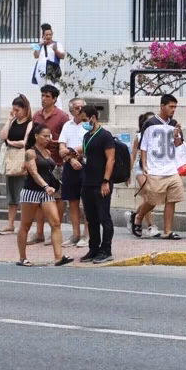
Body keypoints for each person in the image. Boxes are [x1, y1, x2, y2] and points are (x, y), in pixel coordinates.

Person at [15, 123, 74, 267]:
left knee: (55, 222)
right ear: (36, 136)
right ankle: (23, 257)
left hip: (46, 193)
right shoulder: (30, 152)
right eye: (45, 136)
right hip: (31, 192)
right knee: (26, 224)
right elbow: (34, 173)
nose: (48, 138)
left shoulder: (47, 152)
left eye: (49, 136)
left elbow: (48, 170)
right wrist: (46, 185)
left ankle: (58, 257)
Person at [131, 94, 185, 240]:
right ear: (162, 106)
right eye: (170, 106)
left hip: (171, 169)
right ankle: (138, 217)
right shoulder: (149, 123)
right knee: (152, 200)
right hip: (154, 169)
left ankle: (168, 231)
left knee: (172, 199)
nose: (173, 110)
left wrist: (176, 135)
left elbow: (179, 145)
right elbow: (144, 146)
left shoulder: (174, 124)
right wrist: (145, 166)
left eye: (175, 107)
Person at [29, 85, 69, 244]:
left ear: (54, 99)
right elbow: (32, 137)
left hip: (56, 163)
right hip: (38, 162)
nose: (44, 98)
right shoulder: (37, 115)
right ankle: (39, 233)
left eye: (47, 96)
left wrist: (54, 142)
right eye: (42, 95)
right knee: (38, 198)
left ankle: (55, 231)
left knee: (57, 198)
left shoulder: (62, 117)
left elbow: (65, 139)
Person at [78, 104, 116, 264]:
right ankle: (93, 248)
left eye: (85, 120)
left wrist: (106, 181)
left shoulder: (105, 136)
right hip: (87, 182)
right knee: (91, 218)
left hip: (101, 183)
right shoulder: (87, 136)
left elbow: (110, 159)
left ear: (93, 118)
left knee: (103, 217)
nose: (84, 123)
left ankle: (106, 249)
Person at [0, 95, 33, 235]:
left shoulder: (30, 123)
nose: (15, 112)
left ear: (25, 109)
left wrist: (10, 143)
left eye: (17, 110)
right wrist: (9, 119)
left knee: (22, 194)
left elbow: (25, 142)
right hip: (10, 159)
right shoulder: (13, 122)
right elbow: (2, 136)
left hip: (21, 158)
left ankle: (23, 224)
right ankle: (10, 223)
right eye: (13, 110)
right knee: (11, 194)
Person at [57, 97, 88, 247]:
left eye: (82, 107)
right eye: (77, 107)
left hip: (86, 166)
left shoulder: (89, 125)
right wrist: (70, 159)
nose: (80, 110)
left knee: (87, 202)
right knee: (73, 202)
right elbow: (61, 148)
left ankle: (87, 235)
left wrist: (72, 151)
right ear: (71, 110)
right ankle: (75, 234)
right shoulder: (66, 126)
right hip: (70, 166)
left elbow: (87, 144)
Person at [125, 112, 158, 237]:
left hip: (156, 170)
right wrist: (127, 173)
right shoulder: (139, 136)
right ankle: (150, 226)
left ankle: (134, 215)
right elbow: (133, 155)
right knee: (148, 196)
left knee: (153, 197)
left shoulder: (160, 135)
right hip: (141, 169)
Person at [31, 23, 66, 95]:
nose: (48, 36)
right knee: (43, 92)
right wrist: (40, 45)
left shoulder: (57, 44)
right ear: (43, 36)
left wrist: (55, 50)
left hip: (52, 71)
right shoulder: (40, 45)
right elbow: (35, 56)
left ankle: (57, 106)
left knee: (53, 92)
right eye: (46, 35)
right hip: (40, 71)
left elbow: (62, 56)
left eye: (50, 34)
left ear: (52, 34)